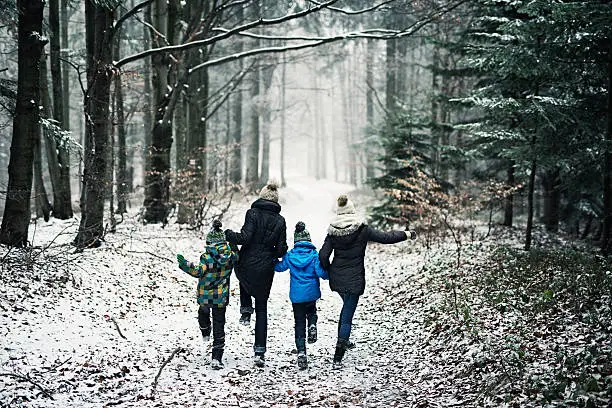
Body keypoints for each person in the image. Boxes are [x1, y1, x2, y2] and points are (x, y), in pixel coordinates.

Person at [319, 194, 417, 370]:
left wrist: (328, 270)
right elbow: (386, 237)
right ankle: (338, 355)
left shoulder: (332, 231)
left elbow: (323, 255)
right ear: (352, 210)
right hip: (355, 278)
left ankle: (344, 340)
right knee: (348, 314)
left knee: (346, 307)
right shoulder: (361, 229)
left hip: (337, 278)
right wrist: (406, 234)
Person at [225, 181, 288, 367]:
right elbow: (281, 249)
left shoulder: (252, 213)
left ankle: (245, 310)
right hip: (266, 269)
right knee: (262, 309)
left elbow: (244, 238)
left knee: (242, 275)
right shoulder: (280, 220)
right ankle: (259, 352)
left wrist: (229, 234)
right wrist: (273, 253)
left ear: (261, 197)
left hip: (247, 262)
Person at [176, 220, 238, 370]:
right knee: (219, 325)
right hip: (221, 297)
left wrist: (185, 264)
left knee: (203, 313)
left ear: (210, 243)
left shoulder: (207, 258)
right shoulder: (231, 257)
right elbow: (237, 255)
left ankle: (205, 331)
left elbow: (197, 271)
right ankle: (217, 357)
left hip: (205, 296)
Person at [274, 221, 328, 370]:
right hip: (311, 294)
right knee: (312, 312)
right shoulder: (314, 255)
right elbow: (322, 273)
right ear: (309, 240)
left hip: (297, 296)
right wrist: (330, 273)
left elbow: (279, 267)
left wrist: (271, 260)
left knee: (298, 323)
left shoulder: (290, 256)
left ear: (296, 241)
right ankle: (312, 324)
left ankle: (302, 352)